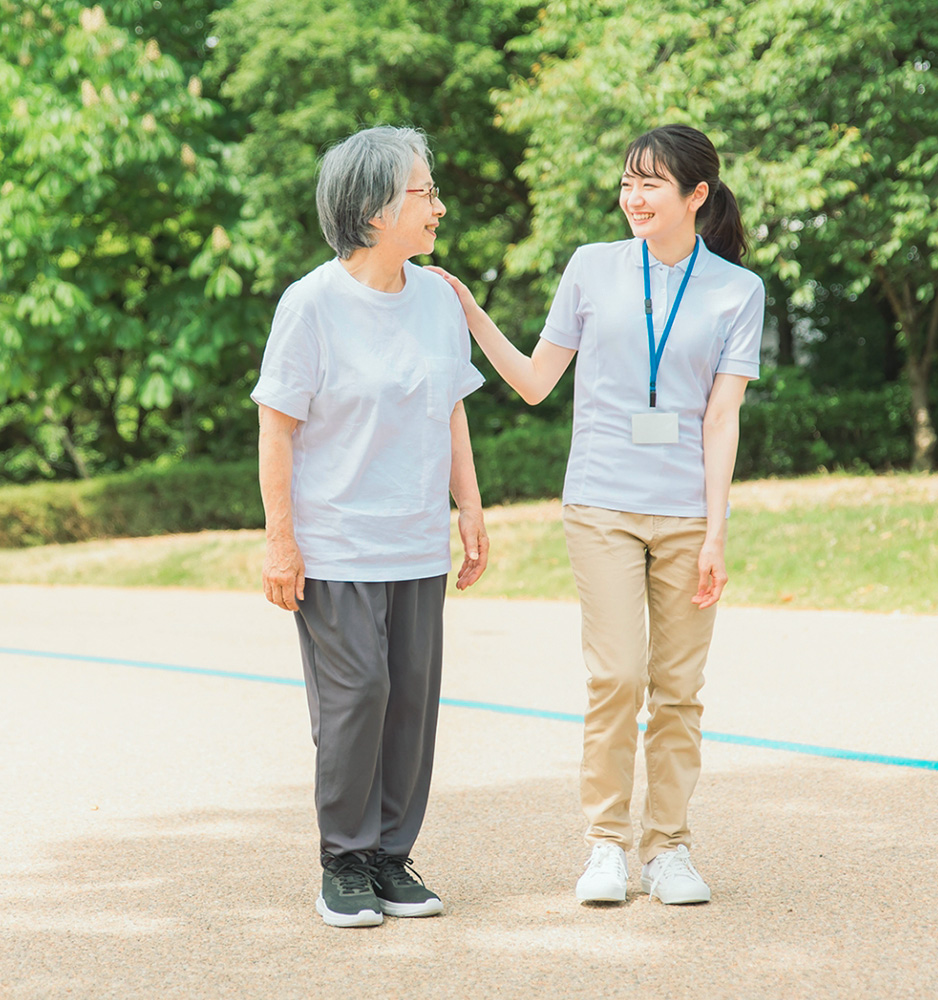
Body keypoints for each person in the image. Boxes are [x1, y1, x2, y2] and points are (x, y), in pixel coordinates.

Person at [429, 124, 764, 907]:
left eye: (651, 184)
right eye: (627, 182)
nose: (634, 197)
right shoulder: (590, 267)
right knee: (616, 677)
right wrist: (474, 312)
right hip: (601, 504)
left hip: (685, 515)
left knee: (677, 687)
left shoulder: (736, 292)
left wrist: (717, 530)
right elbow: (538, 382)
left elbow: (722, 419)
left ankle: (670, 850)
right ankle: (607, 845)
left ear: (696, 195)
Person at [252, 125, 489, 928]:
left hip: (416, 542)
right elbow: (277, 427)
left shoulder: (438, 298)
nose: (438, 206)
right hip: (338, 545)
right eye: (424, 192)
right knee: (360, 696)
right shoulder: (312, 304)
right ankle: (344, 862)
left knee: (411, 703)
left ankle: (392, 857)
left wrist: (471, 508)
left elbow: (450, 407)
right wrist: (281, 541)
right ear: (376, 207)